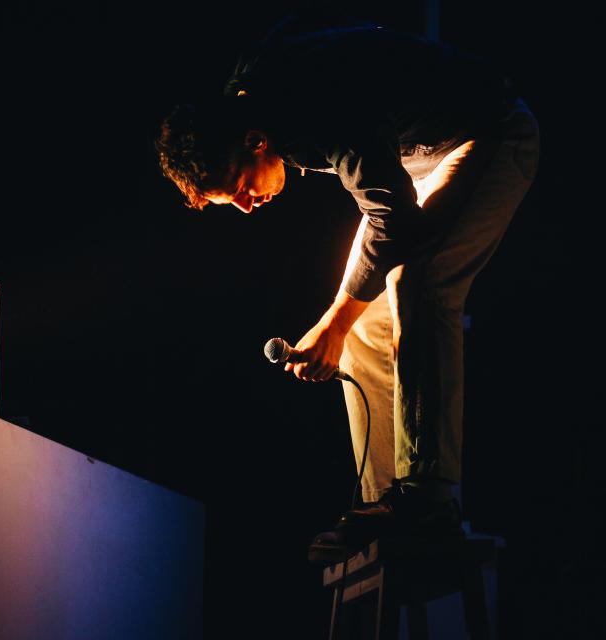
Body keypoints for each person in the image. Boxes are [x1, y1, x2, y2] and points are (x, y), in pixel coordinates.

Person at [155, 13, 540, 561]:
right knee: (359, 323)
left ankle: (428, 498)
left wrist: (333, 320)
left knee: (419, 283)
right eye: (231, 202)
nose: (246, 206)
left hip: (490, 131)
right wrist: (340, 321)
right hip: (418, 159)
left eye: (241, 187)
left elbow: (394, 220)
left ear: (257, 140)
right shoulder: (250, 99)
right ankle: (384, 500)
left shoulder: (317, 110)